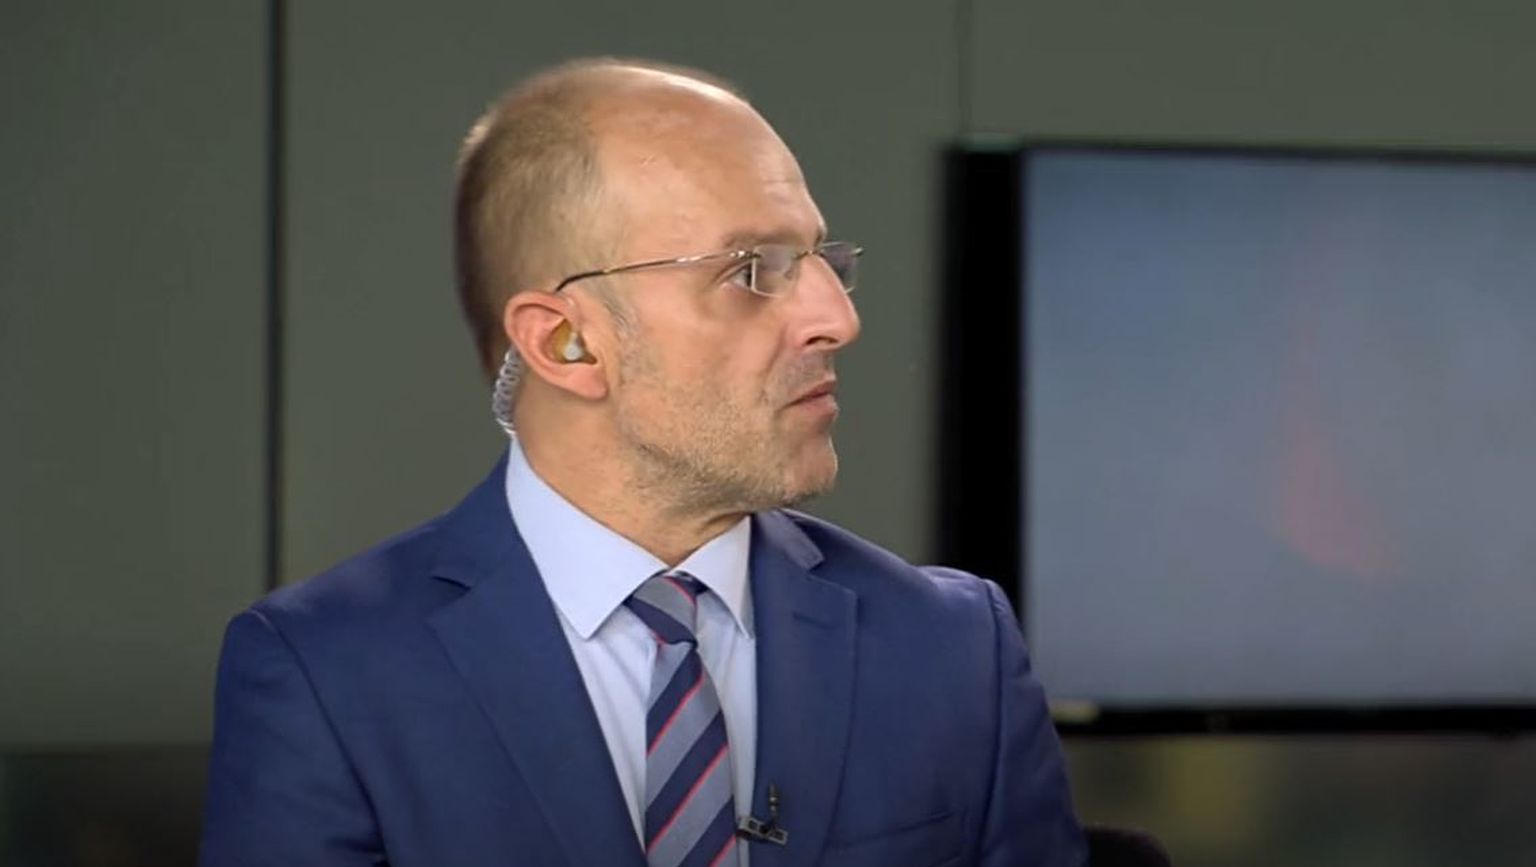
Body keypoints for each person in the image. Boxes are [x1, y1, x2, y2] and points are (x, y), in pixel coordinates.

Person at [200, 58, 1085, 867]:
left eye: (823, 259)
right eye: (753, 271)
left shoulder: (953, 649)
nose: (836, 319)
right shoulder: (327, 673)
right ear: (568, 343)